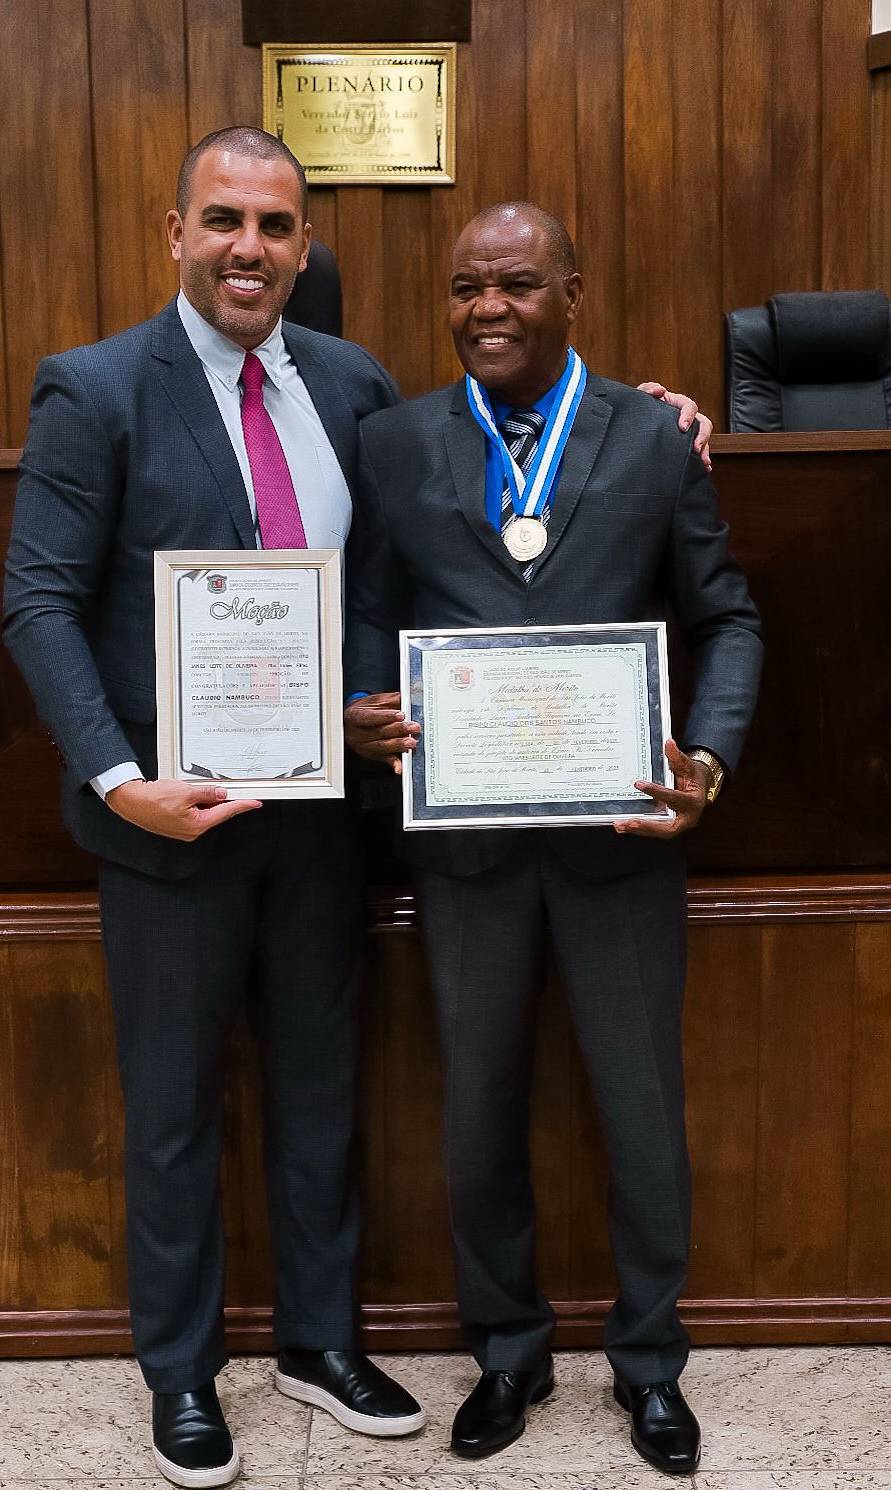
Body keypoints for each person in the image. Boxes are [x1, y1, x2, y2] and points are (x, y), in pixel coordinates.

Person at [3, 126, 426, 1489]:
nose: (251, 248)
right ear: (174, 229)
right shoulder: (98, 387)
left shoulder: (357, 382)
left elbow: (381, 582)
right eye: (225, 220)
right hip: (168, 825)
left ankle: (318, 1339)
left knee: (320, 1089)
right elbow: (40, 601)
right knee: (175, 1108)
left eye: (277, 226)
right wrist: (121, 780)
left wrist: (363, 701)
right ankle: (180, 1372)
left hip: (316, 822)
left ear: (306, 247)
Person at [343, 202, 763, 1475]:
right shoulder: (392, 440)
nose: (487, 308)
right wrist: (363, 710)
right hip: (464, 848)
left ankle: (650, 1360)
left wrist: (709, 754)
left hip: (621, 834)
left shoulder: (653, 437)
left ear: (572, 290)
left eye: (517, 285)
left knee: (640, 1111)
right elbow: (371, 617)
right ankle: (508, 1350)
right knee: (477, 1113)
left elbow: (729, 617)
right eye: (466, 286)